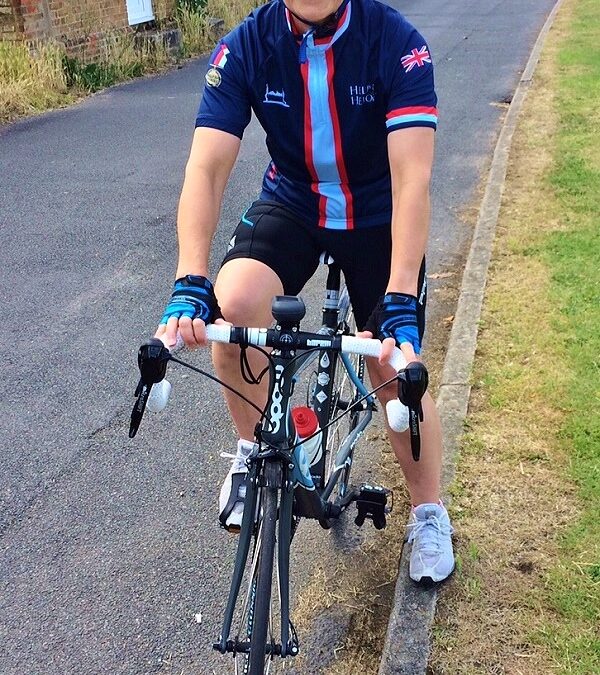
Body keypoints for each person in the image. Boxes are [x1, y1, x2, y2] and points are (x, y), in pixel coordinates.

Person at [155, 0, 454, 583]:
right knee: (233, 303)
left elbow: (412, 178)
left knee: (391, 363)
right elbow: (207, 168)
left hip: (377, 214)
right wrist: (189, 279)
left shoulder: (396, 42)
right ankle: (251, 454)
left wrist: (398, 297)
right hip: (294, 202)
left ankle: (428, 512)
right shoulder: (247, 44)